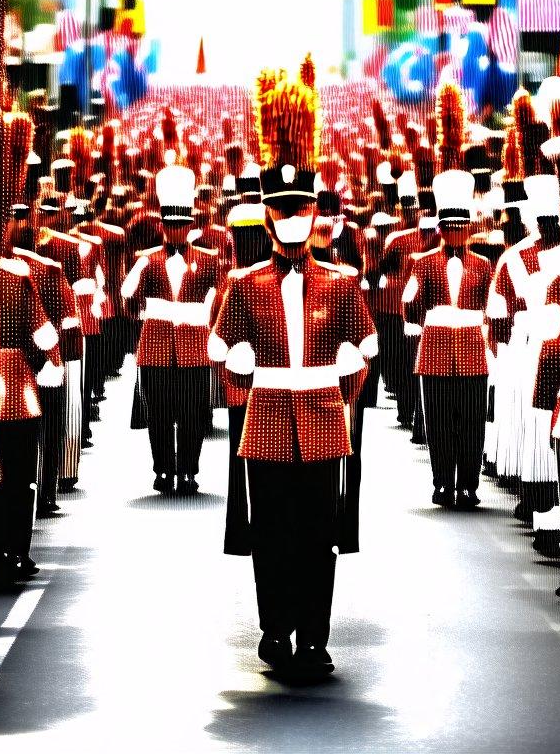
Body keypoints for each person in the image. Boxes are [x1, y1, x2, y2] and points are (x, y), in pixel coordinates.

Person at [210, 65, 376, 679]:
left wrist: (345, 386)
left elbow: (367, 342)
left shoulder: (342, 280)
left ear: (313, 213)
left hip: (326, 421)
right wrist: (241, 375)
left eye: (299, 208)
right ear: (268, 215)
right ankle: (275, 629)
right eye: (279, 210)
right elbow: (219, 347)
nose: (290, 219)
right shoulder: (243, 283)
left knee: (319, 538)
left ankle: (315, 636)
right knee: (272, 535)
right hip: (267, 420)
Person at [121, 157, 220, 495]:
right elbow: (128, 297)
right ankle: (163, 469)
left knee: (193, 414)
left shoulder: (207, 259)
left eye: (181, 224)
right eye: (170, 225)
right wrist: (138, 295)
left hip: (194, 345)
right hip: (156, 346)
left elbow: (219, 298)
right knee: (160, 414)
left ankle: (189, 469)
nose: (176, 230)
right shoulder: (147, 258)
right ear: (163, 226)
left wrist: (206, 317)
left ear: (189, 225)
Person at [402, 170, 492, 509]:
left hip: (471, 350)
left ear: (468, 228)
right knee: (438, 423)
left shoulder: (484, 265)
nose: (455, 233)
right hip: (435, 351)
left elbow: (490, 305)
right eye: (449, 227)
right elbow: (409, 302)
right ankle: (442, 483)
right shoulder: (422, 263)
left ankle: (468, 485)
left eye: (460, 227)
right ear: (440, 228)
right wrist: (421, 319)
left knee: (471, 423)